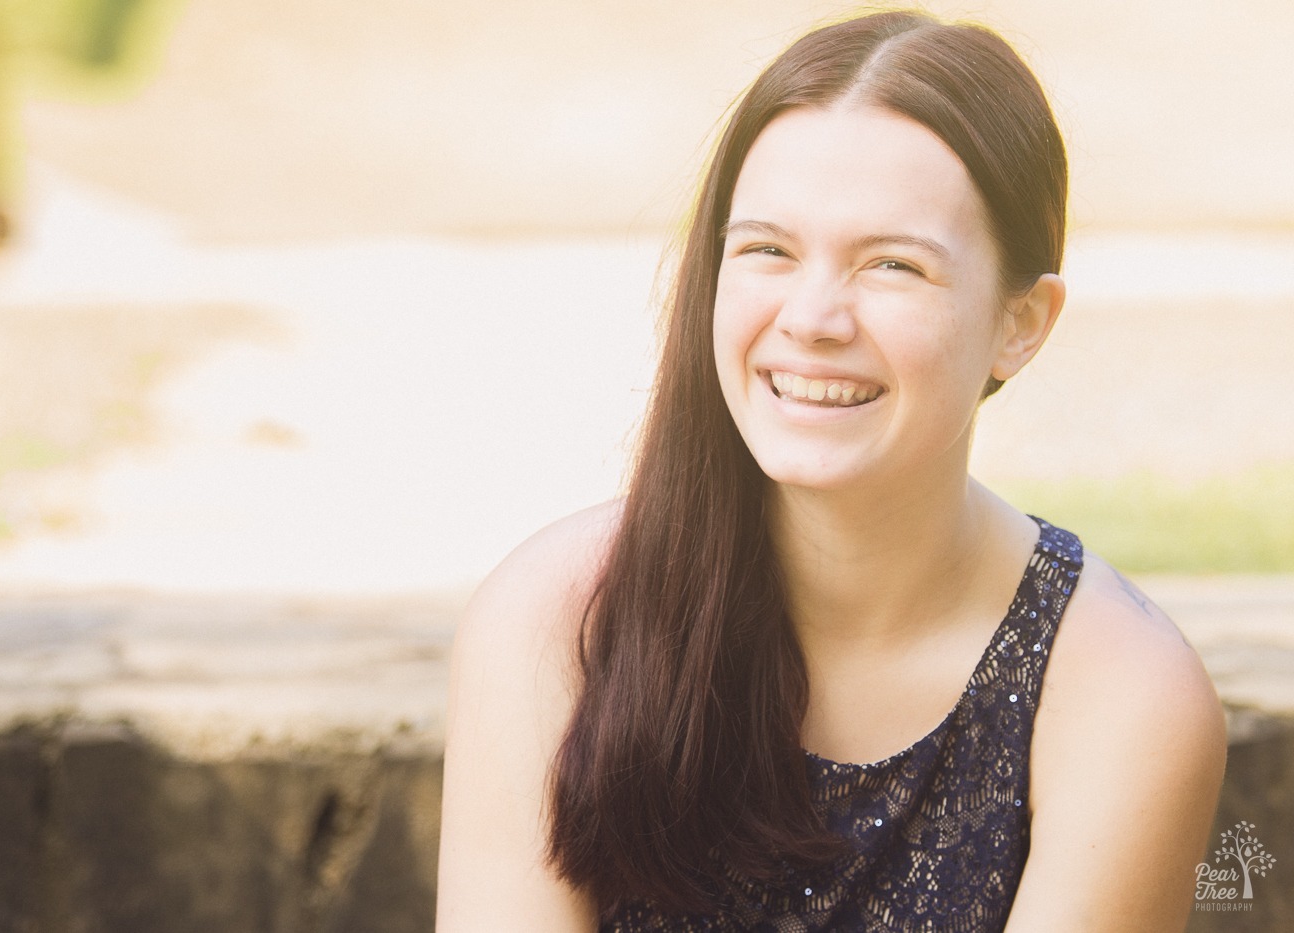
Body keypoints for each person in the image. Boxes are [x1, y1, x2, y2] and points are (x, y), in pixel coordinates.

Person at [436, 10, 1227, 931]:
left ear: (1022, 323)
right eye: (768, 249)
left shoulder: (1118, 692)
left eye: (893, 265)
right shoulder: (555, 621)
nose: (813, 317)